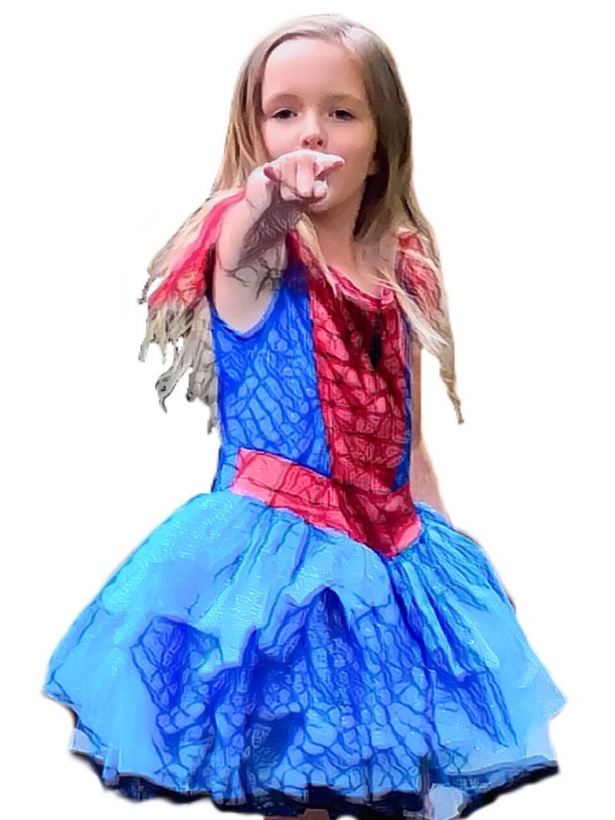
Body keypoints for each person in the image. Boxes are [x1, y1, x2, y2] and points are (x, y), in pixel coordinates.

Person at [43, 13, 564, 820]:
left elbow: (410, 447)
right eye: (283, 112)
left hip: (391, 555)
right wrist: (271, 193)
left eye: (340, 112)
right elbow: (251, 224)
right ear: (253, 132)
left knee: (394, 784)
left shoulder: (403, 277)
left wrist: (457, 574)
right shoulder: (254, 258)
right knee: (304, 787)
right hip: (285, 569)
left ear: (381, 143)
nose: (310, 131)